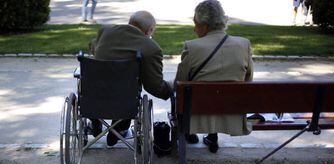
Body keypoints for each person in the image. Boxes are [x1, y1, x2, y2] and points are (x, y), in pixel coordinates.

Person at [174, 0, 253, 153]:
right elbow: (248, 79)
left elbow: (180, 82)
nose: (194, 29)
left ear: (205, 25)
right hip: (231, 110)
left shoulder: (192, 47)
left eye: (195, 24)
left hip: (196, 112)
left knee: (188, 93)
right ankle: (212, 135)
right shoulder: (244, 44)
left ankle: (191, 132)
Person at [89, 11, 173, 146]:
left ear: (130, 22)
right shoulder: (151, 48)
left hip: (93, 97)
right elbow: (154, 87)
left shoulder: (105, 31)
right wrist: (172, 86)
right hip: (125, 102)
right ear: (149, 30)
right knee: (129, 88)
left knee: (108, 82)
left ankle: (95, 122)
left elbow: (93, 48)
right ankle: (119, 128)